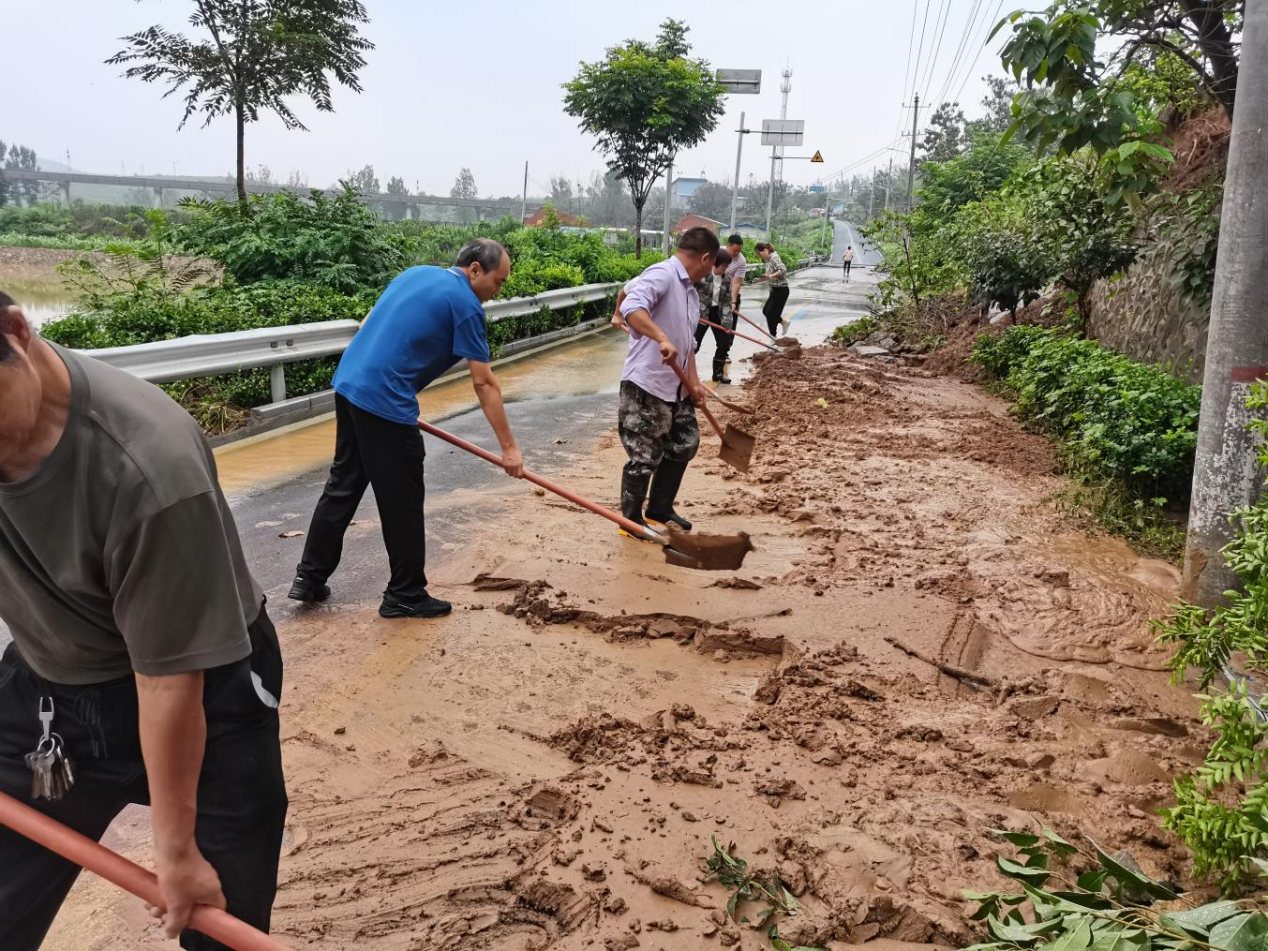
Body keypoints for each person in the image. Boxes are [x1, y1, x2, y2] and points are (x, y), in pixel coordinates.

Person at [0, 292, 287, 949]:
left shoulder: (149, 467)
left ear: (16, 332)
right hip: (50, 686)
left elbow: (168, 684)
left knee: (224, 918)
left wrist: (176, 850)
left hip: (205, 685)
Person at [290, 238, 525, 619]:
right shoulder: (466, 306)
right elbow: (484, 383)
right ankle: (405, 593)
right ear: (475, 270)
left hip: (350, 384)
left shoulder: (417, 273)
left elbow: (370, 322)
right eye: (498, 282)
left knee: (343, 486)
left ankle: (309, 578)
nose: (498, 292)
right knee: (402, 500)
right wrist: (509, 449)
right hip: (383, 400)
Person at [616, 227, 720, 533]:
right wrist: (660, 337)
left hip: (676, 388)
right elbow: (631, 308)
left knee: (685, 442)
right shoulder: (662, 275)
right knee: (644, 456)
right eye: (709, 267)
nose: (707, 274)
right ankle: (630, 521)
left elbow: (687, 346)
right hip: (646, 385)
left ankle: (659, 509)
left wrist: (694, 384)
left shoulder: (690, 291)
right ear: (705, 258)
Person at [692, 249, 734, 384]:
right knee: (694, 344)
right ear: (716, 263)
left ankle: (718, 374)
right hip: (701, 314)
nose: (725, 269)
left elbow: (727, 302)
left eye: (727, 266)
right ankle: (684, 372)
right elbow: (688, 293)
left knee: (724, 343)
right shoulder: (701, 276)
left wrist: (727, 323)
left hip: (717, 313)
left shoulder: (726, 280)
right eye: (724, 266)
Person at [756, 242, 791, 337]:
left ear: (765, 250)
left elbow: (783, 270)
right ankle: (784, 322)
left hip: (781, 290)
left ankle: (773, 337)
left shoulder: (774, 257)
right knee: (766, 311)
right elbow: (769, 276)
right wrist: (761, 279)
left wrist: (770, 276)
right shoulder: (767, 261)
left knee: (771, 314)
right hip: (774, 290)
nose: (760, 256)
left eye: (759, 253)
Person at [724, 234, 747, 328]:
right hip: (712, 293)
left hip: (729, 293)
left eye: (739, 251)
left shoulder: (741, 261)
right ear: (728, 245)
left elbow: (736, 283)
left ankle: (728, 341)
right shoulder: (717, 253)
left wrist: (733, 302)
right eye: (735, 250)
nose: (737, 253)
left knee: (730, 326)